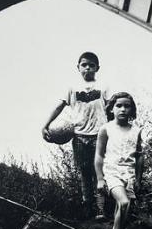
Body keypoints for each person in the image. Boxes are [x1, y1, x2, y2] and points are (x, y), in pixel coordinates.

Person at [42, 52, 109, 219]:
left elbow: (112, 108)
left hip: (99, 136)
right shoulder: (71, 88)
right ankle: (88, 207)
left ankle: (102, 209)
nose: (87, 68)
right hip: (79, 136)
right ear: (78, 67)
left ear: (97, 68)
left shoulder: (104, 86)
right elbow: (59, 107)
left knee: (99, 173)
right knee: (84, 173)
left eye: (91, 65)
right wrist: (45, 125)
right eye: (84, 65)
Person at [95, 92, 144, 229]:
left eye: (127, 106)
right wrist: (100, 178)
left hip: (129, 175)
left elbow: (139, 156)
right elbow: (99, 156)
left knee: (123, 210)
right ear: (112, 109)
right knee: (123, 203)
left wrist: (138, 178)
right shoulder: (106, 129)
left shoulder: (136, 131)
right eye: (119, 105)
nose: (123, 109)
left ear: (132, 109)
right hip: (112, 172)